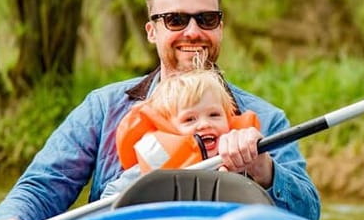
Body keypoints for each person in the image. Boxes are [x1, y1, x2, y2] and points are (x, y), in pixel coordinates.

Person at [0, 0, 320, 220]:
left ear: (220, 28)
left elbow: (308, 217)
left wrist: (263, 168)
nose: (192, 31)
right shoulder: (103, 108)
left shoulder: (266, 120)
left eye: (207, 19)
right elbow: (44, 185)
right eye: (175, 20)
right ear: (152, 31)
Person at [102, 68, 262, 198]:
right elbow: (109, 198)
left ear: (228, 118)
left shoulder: (243, 159)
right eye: (190, 119)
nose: (205, 124)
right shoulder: (152, 168)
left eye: (214, 115)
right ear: (168, 129)